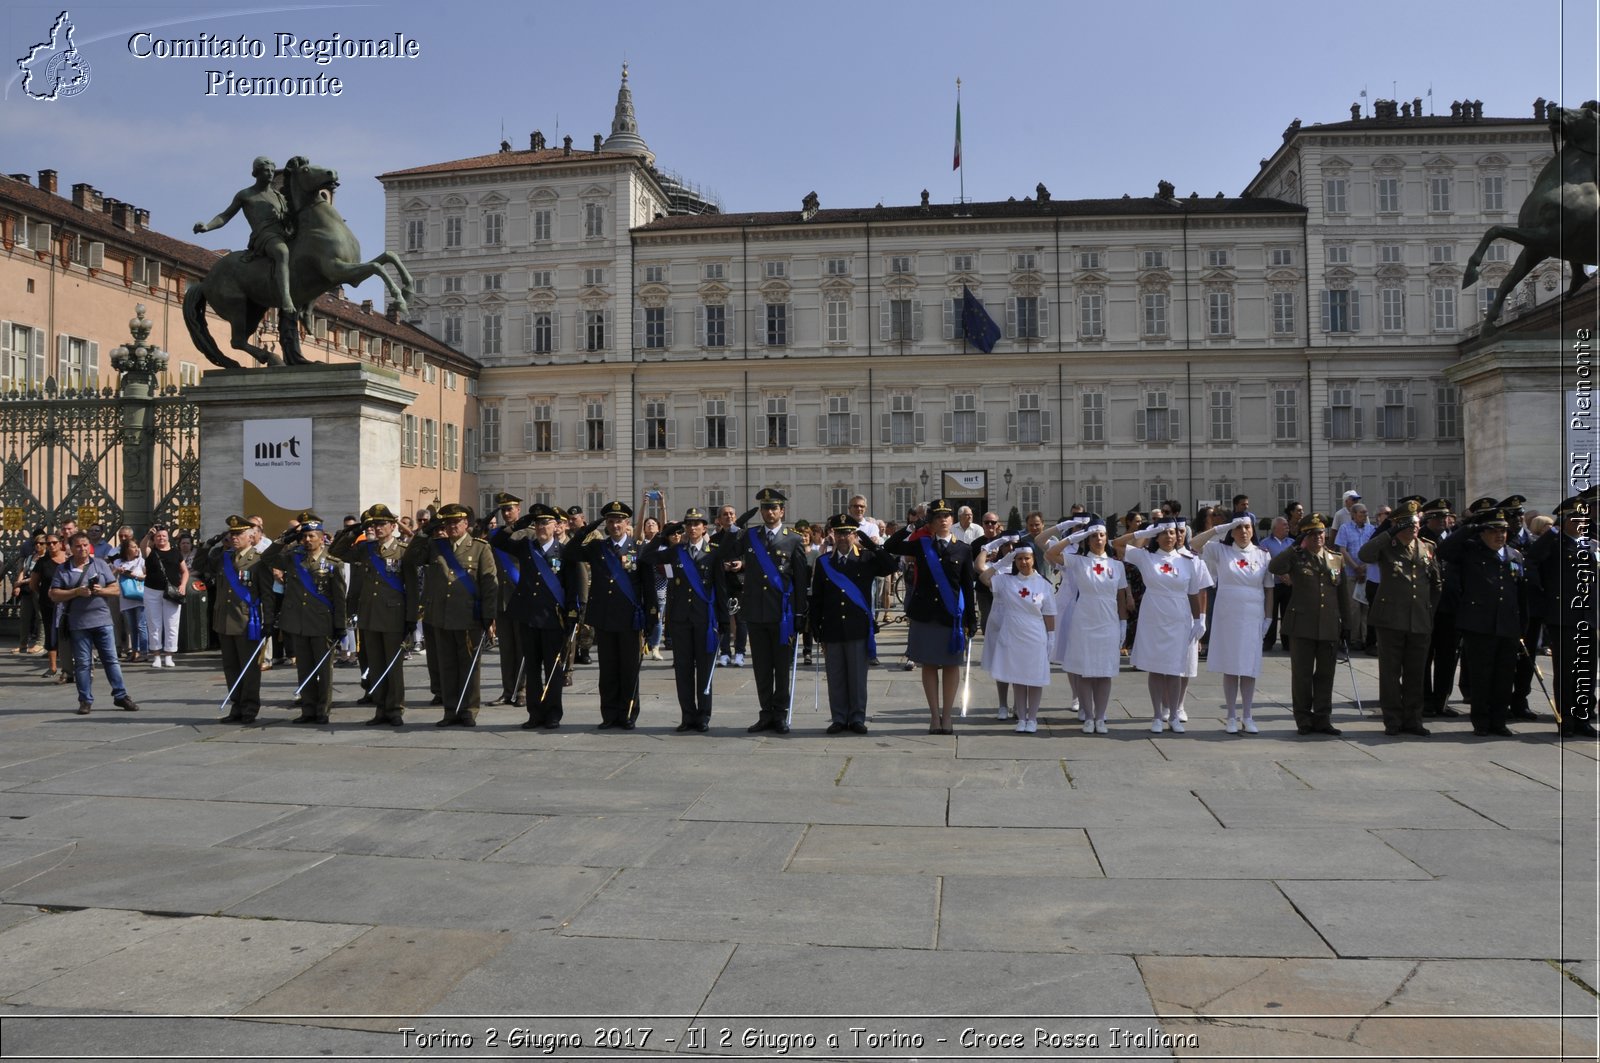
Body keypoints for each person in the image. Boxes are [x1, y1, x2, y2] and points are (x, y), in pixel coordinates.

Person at [714, 488, 810, 734]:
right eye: (765, 508)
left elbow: (800, 580)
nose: (769, 512)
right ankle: (765, 713)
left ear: (782, 511)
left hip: (782, 615)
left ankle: (780, 714)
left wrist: (800, 614)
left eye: (773, 507)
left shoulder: (794, 539)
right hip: (755, 612)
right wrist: (733, 528)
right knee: (762, 668)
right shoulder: (750, 535)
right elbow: (722, 552)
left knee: (782, 667)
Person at [1114, 516, 1213, 734]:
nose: (1169, 537)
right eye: (1163, 533)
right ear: (1156, 537)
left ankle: (1175, 715)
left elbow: (1194, 593)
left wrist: (1199, 620)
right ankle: (1157, 715)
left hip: (1179, 615)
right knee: (1157, 667)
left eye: (1172, 533)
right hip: (1154, 615)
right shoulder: (1146, 557)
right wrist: (1142, 533)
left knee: (1176, 668)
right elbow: (1117, 544)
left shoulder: (1189, 560)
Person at [887, 499, 977, 734]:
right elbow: (890, 546)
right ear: (932, 522)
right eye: (937, 517)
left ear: (952, 520)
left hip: (951, 616)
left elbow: (967, 587)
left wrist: (971, 619)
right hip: (926, 615)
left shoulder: (963, 549)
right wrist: (913, 527)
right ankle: (934, 716)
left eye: (947, 516)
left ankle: (947, 716)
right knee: (928, 665)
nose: (943, 520)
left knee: (950, 666)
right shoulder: (922, 545)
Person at [808, 512, 899, 734]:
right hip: (832, 627)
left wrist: (873, 545)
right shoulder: (824, 562)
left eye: (847, 533)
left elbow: (890, 566)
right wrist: (815, 626)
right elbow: (817, 597)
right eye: (839, 533)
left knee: (857, 677)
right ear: (833, 535)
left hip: (857, 627)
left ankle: (857, 717)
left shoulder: (866, 558)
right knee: (836, 676)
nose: (843, 537)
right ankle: (839, 717)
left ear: (854, 534)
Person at [407, 503, 497, 727]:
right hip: (440, 617)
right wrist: (424, 532)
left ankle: (468, 710)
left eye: (456, 522)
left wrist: (488, 616)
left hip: (468, 617)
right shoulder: (435, 546)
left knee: (469, 666)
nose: (452, 526)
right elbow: (410, 560)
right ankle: (450, 710)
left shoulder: (480, 548)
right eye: (447, 523)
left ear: (466, 524)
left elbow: (489, 583)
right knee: (446, 667)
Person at [492, 503, 580, 729]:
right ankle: (534, 713)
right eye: (537, 523)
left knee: (553, 669)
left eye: (545, 523)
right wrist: (514, 527)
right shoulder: (526, 547)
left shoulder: (565, 552)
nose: (541, 527)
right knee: (532, 667)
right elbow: (498, 542)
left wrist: (572, 615)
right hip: (529, 617)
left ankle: (552, 713)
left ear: (556, 525)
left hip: (553, 619)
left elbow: (573, 587)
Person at [1358, 500, 1441, 737]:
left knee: (1416, 673)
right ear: (1396, 525)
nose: (1414, 527)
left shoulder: (1427, 547)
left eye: (1415, 523)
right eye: (1407, 523)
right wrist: (1389, 532)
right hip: (1390, 620)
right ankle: (1392, 719)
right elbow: (1364, 554)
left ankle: (1413, 719)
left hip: (1419, 620)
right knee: (1391, 673)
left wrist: (1429, 611)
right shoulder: (1387, 546)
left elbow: (1436, 585)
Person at [1441, 507, 1524, 737]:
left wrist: (1521, 627)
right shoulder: (1470, 552)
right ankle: (1481, 722)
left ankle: (1499, 720)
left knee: (1504, 676)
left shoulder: (1514, 555)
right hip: (1479, 625)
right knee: (1481, 676)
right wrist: (1470, 526)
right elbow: (1444, 550)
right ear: (1482, 533)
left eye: (1503, 531)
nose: (1500, 535)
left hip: (1507, 625)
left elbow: (1520, 594)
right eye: (1494, 531)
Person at [1268, 514, 1351, 736]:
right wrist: (1294, 546)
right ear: (1305, 536)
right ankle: (1303, 718)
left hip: (1329, 625)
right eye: (1312, 534)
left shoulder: (1335, 559)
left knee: (1326, 674)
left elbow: (1343, 595)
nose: (1318, 537)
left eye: (1321, 533)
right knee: (1302, 675)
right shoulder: (1297, 557)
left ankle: (1323, 718)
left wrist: (1348, 624)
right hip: (1302, 625)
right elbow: (1274, 567)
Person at [641, 508, 722, 732]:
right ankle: (688, 716)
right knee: (683, 669)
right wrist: (661, 534)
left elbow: (720, 587)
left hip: (704, 620)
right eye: (689, 524)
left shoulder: (713, 552)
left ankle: (704, 715)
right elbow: (646, 557)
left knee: (704, 670)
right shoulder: (676, 551)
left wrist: (723, 621)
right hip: (680, 619)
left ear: (704, 527)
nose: (693, 527)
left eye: (697, 523)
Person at [1193, 514, 1274, 734]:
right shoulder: (1221, 550)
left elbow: (1269, 589)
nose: (1243, 532)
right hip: (1228, 612)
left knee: (1249, 667)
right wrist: (1219, 528)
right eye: (1238, 528)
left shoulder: (1262, 554)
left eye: (1247, 527)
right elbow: (1194, 544)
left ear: (1253, 530)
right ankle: (1230, 715)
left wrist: (1269, 618)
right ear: (1231, 531)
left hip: (1253, 612)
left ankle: (1247, 715)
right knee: (1230, 666)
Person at [330, 505, 411, 726]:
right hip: (369, 615)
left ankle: (395, 709)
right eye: (374, 524)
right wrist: (355, 531)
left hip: (394, 616)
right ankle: (381, 708)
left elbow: (411, 587)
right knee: (375, 665)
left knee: (393, 667)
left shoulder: (403, 551)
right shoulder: (366, 549)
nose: (378, 528)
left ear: (393, 526)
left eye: (382, 523)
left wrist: (411, 618)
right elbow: (336, 553)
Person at [261, 516, 346, 723]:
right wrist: (283, 539)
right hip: (298, 622)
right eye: (304, 536)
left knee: (324, 670)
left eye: (312, 536)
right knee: (305, 668)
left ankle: (323, 709)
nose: (307, 540)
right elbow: (267, 558)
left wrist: (340, 625)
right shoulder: (293, 558)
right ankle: (307, 709)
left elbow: (339, 597)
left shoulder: (333, 562)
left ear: (321, 538)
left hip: (321, 623)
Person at [1527, 496, 1599, 737]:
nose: (1583, 523)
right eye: (1577, 519)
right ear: (1565, 520)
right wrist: (1553, 531)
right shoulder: (1554, 544)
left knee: (1586, 671)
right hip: (1563, 617)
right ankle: (1566, 719)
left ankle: (1583, 718)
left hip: (1588, 618)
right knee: (1567, 671)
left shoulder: (1588, 545)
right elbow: (1532, 559)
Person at [1051, 519, 1131, 734]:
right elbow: (1050, 554)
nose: (1098, 539)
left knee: (1104, 672)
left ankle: (1101, 716)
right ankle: (1088, 715)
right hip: (1084, 618)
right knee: (1085, 671)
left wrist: (1123, 623)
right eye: (1093, 536)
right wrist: (1072, 537)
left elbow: (1122, 595)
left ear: (1107, 538)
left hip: (1108, 621)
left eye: (1102, 535)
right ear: (1087, 539)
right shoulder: (1078, 561)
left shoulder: (1116, 565)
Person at [574, 500, 647, 729]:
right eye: (611, 521)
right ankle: (609, 714)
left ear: (627, 523)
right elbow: (570, 552)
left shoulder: (638, 548)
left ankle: (628, 714)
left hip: (629, 619)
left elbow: (647, 586)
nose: (615, 525)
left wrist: (651, 617)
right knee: (607, 671)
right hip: (604, 617)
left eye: (619, 521)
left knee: (628, 669)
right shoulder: (598, 547)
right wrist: (586, 529)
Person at [49, 532, 139, 715]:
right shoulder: (63, 568)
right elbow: (54, 594)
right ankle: (85, 700)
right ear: (70, 548)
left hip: (102, 620)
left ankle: (120, 695)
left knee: (111, 660)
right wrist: (76, 592)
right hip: (78, 623)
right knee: (82, 663)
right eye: (77, 546)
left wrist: (101, 590)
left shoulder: (100, 564)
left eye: (84, 545)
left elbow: (115, 590)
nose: (81, 549)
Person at [197, 514, 276, 724]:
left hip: (246, 622)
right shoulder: (224, 558)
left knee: (249, 668)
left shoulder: (259, 561)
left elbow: (267, 594)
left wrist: (269, 622)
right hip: (224, 621)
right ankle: (236, 706)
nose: (234, 537)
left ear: (251, 537)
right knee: (230, 668)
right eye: (231, 534)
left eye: (239, 534)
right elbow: (199, 564)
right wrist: (208, 545)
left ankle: (250, 708)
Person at [193, 156, 295, 315]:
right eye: (266, 170)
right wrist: (207, 226)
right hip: (265, 235)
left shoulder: (279, 197)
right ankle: (286, 299)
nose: (270, 174)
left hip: (284, 233)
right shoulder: (246, 195)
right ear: (256, 173)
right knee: (282, 252)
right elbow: (224, 216)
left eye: (272, 171)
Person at [977, 540, 1056, 733]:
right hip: (1012, 633)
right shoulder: (1006, 581)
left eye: (1026, 558)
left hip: (1036, 634)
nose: (1023, 562)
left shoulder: (1043, 584)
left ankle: (1033, 718)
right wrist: (1003, 560)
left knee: (1035, 678)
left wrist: (1051, 636)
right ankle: (1021, 717)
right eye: (1019, 559)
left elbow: (1049, 613)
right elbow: (984, 577)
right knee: (1018, 678)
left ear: (1033, 560)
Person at [487, 492, 528, 707]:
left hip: (520, 597)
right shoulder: (495, 534)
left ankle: (522, 690)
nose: (506, 512)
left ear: (519, 509)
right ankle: (507, 690)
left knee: (522, 648)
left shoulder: (527, 534)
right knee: (507, 649)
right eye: (503, 509)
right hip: (502, 598)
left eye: (510, 508)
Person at [140, 525, 188, 669]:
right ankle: (156, 655)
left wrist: (183, 585)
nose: (161, 538)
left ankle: (169, 654)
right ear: (154, 539)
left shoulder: (175, 553)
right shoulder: (150, 551)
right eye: (158, 536)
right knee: (154, 623)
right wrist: (148, 535)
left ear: (168, 538)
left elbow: (185, 571)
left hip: (171, 592)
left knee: (172, 623)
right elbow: (142, 546)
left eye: (164, 536)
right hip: (152, 591)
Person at [1335, 502, 1378, 652]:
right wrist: (1356, 567)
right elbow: (1342, 550)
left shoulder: (1372, 529)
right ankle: (1354, 639)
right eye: (1362, 513)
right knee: (1353, 608)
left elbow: (1374, 551)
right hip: (1351, 574)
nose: (1365, 515)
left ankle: (1366, 638)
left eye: (1366, 513)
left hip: (1367, 574)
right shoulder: (1345, 528)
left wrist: (1364, 568)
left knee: (1366, 607)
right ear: (1353, 515)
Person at [711, 504, 748, 667]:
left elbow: (751, 557)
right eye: (725, 514)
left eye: (732, 514)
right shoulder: (714, 539)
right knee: (723, 618)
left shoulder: (744, 535)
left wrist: (742, 564)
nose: (729, 517)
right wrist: (722, 566)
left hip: (740, 582)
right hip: (722, 582)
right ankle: (725, 652)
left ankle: (740, 652)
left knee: (741, 620)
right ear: (719, 519)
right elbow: (711, 560)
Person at [31, 533, 68, 680]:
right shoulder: (43, 562)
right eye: (48, 543)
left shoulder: (68, 559)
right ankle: (52, 667)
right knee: (51, 632)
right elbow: (33, 584)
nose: (51, 546)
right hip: (48, 604)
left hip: (68, 602)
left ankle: (68, 666)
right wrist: (45, 594)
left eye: (54, 543)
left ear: (60, 543)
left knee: (67, 633)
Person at [1260, 516, 1295, 652]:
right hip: (1272, 584)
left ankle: (1287, 642)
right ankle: (1268, 641)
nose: (1288, 527)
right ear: (1275, 528)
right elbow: (1264, 562)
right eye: (1285, 525)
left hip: (1288, 585)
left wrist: (1290, 576)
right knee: (1271, 613)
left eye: (1287, 525)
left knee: (1288, 614)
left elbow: (1296, 561)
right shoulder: (1265, 543)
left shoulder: (1292, 542)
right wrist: (1280, 573)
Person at [111, 536, 148, 663]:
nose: (136, 549)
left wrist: (135, 576)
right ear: (126, 549)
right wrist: (118, 570)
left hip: (139, 596)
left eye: (137, 547)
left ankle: (144, 652)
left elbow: (147, 576)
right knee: (131, 627)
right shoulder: (118, 562)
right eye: (133, 547)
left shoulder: (141, 561)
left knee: (141, 625)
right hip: (126, 598)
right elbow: (110, 577)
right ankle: (134, 651)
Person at [13, 530, 48, 654]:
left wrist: (21, 582)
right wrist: (18, 584)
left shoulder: (46, 559)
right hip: (27, 590)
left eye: (41, 543)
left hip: (39, 588)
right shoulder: (30, 557)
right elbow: (22, 570)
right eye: (36, 543)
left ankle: (40, 642)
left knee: (40, 616)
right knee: (24, 616)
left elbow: (37, 575)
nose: (38, 545)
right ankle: (23, 643)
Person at [638, 514, 668, 661]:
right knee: (642, 616)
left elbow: (669, 571)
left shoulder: (663, 546)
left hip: (659, 587)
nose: (650, 525)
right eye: (647, 523)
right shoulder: (640, 544)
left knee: (657, 618)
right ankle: (643, 645)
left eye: (653, 523)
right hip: (643, 587)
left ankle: (655, 647)